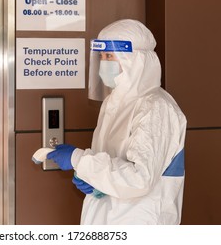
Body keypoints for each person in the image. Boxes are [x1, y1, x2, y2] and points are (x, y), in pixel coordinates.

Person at [47, 19, 187, 225]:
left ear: (134, 60)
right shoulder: (114, 104)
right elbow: (112, 162)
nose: (104, 63)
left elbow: (140, 178)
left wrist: (79, 160)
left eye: (110, 56)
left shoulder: (156, 108)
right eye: (102, 56)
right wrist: (91, 178)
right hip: (106, 219)